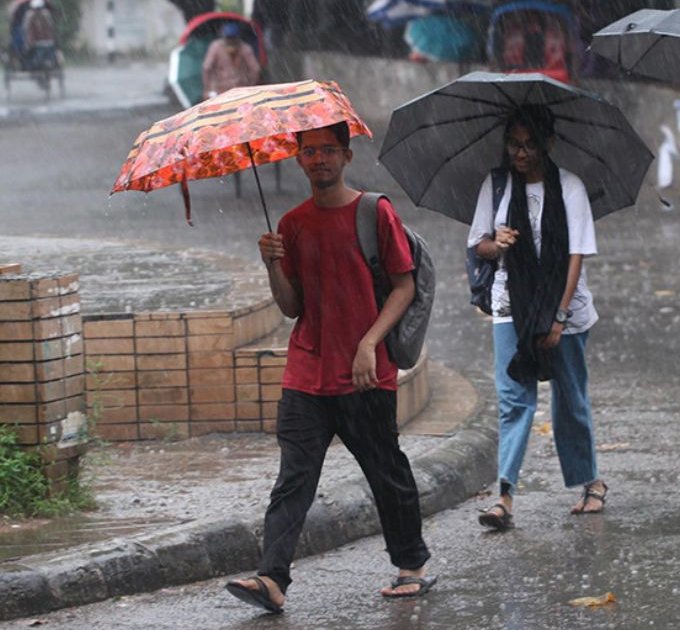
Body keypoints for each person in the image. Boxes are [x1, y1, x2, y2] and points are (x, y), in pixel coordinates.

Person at [224, 122, 435, 614]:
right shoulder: (292, 224)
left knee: (385, 470)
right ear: (297, 159)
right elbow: (292, 307)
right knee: (293, 479)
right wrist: (272, 265)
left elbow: (404, 286)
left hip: (365, 373)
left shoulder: (374, 212)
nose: (318, 159)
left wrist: (369, 343)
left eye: (327, 151)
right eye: (309, 151)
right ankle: (271, 580)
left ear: (346, 156)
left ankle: (411, 565)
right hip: (307, 374)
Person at [467, 105, 607, 530]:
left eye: (529, 145)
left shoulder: (569, 188)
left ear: (548, 144)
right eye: (514, 145)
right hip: (512, 304)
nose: (521, 154)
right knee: (513, 399)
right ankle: (504, 496)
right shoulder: (496, 187)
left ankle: (591, 482)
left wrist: (560, 317)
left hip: (563, 306)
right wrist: (499, 244)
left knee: (569, 399)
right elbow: (479, 244)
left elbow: (576, 255)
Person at [202, 22, 261, 99]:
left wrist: (250, 84)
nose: (230, 41)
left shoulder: (244, 48)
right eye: (229, 39)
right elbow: (207, 67)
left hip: (238, 89)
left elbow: (255, 69)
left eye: (232, 39)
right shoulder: (216, 47)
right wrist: (208, 88)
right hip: (223, 90)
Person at [21, 0, 56, 74]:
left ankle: (29, 66)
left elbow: (25, 27)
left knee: (27, 52)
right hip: (47, 41)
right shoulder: (47, 14)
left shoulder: (29, 15)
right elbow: (51, 26)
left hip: (36, 42)